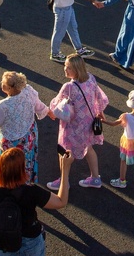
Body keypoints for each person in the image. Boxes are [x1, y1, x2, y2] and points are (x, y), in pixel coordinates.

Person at [0, 71, 51, 184]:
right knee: (26, 162)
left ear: (9, 88)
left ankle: (3, 185)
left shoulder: (3, 106)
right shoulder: (28, 91)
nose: (1, 83)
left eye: (3, 83)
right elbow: (39, 105)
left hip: (11, 142)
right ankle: (25, 184)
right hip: (29, 136)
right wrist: (48, 112)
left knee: (8, 164)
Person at [46, 54, 110, 189]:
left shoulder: (69, 87)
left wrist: (49, 112)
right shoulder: (91, 78)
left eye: (68, 67)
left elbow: (56, 104)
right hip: (89, 123)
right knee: (89, 148)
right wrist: (100, 112)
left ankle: (64, 182)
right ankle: (95, 178)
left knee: (64, 152)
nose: (65, 69)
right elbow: (99, 97)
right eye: (65, 66)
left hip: (73, 125)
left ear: (76, 69)